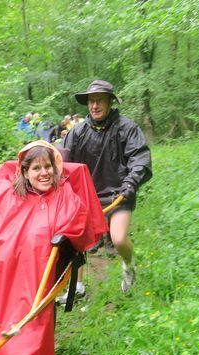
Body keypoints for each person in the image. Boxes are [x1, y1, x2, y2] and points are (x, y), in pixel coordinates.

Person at [0, 140, 107, 355]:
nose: (44, 173)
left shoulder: (63, 193)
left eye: (47, 166)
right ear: (25, 172)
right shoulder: (11, 194)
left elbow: (77, 221)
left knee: (33, 305)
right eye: (36, 168)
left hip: (42, 267)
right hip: (8, 264)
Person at [62, 79, 152, 294]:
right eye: (91, 101)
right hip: (87, 196)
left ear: (110, 102)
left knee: (118, 239)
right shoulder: (78, 132)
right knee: (75, 241)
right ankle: (78, 286)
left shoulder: (127, 128)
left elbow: (140, 158)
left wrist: (131, 182)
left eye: (100, 100)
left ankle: (128, 267)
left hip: (120, 193)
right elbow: (62, 159)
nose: (95, 106)